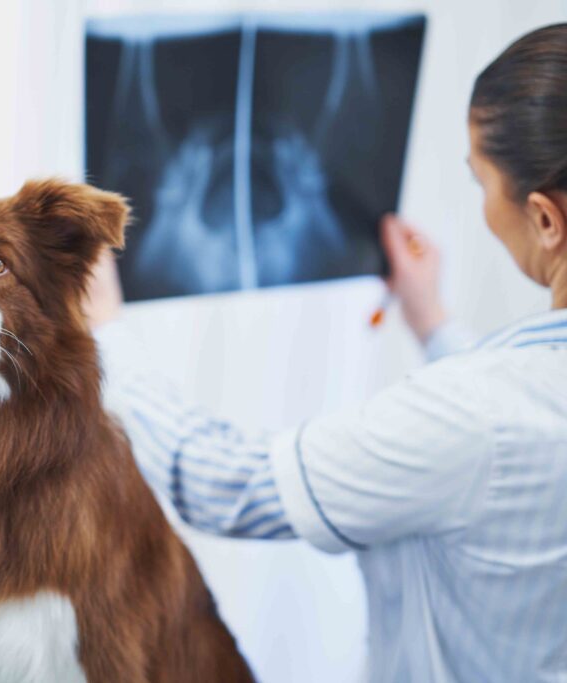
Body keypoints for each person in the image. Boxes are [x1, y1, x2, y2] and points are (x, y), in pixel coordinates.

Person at [86, 24, 567, 683]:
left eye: (479, 180)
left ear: (545, 219)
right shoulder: (505, 407)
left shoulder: (474, 415)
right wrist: (434, 323)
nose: (483, 206)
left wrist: (105, 331)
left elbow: (225, 485)